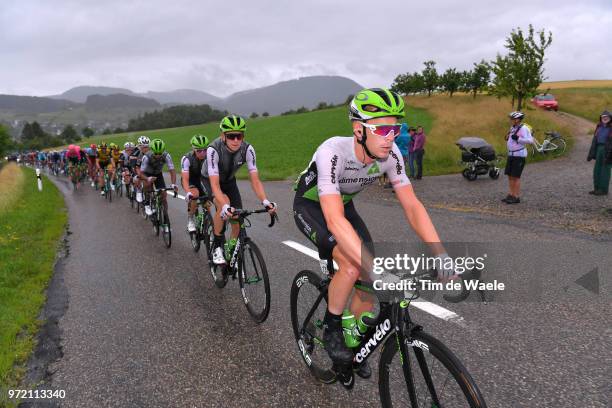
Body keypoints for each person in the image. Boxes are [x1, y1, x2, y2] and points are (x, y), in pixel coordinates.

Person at [292, 88, 457, 378]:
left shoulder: (391, 155)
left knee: (368, 277)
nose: (391, 135)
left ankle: (353, 344)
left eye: (396, 127)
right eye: (382, 128)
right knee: (353, 263)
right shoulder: (332, 152)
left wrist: (440, 252)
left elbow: (413, 207)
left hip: (344, 205)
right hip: (312, 206)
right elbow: (333, 219)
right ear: (358, 130)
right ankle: (332, 329)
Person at [201, 115, 277, 265]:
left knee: (237, 219)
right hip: (209, 181)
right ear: (223, 136)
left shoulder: (248, 149)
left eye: (239, 136)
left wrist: (265, 201)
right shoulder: (213, 150)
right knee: (226, 204)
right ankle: (217, 246)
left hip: (229, 181)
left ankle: (230, 250)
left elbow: (255, 180)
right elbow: (215, 185)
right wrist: (223, 206)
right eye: (231, 136)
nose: (236, 140)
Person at [139, 139, 178, 216]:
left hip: (158, 174)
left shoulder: (166, 155)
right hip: (147, 174)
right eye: (156, 153)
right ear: (151, 150)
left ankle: (165, 216)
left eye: (160, 153)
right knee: (147, 186)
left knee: (163, 195)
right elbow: (141, 173)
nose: (158, 155)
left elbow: (172, 170)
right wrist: (147, 179)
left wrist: (173, 184)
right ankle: (147, 204)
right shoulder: (146, 157)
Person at [502, 111, 534, 204]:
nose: (511, 120)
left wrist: (519, 139)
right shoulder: (512, 127)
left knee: (516, 177)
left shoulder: (524, 128)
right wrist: (507, 137)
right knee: (510, 176)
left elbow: (530, 140)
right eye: (511, 119)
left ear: (518, 120)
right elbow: (511, 138)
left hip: (519, 155)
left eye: (513, 119)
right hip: (511, 154)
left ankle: (516, 197)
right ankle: (511, 194)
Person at [180, 134, 210, 232]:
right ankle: (191, 219)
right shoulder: (187, 159)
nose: (203, 153)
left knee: (207, 205)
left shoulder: (210, 156)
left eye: (205, 150)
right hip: (190, 179)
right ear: (193, 149)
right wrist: (188, 192)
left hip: (203, 179)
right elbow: (184, 178)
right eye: (199, 150)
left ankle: (208, 226)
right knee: (194, 194)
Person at [587, 110, 612, 196]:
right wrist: (591, 153)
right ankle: (596, 188)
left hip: (608, 150)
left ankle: (603, 190)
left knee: (605, 170)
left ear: (610, 118)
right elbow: (594, 140)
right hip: (599, 148)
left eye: (607, 117)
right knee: (597, 169)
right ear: (601, 118)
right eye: (603, 117)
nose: (605, 118)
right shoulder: (599, 126)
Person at [384, 123, 411, 188]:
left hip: (400, 153)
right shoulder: (408, 135)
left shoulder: (401, 136)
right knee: (402, 169)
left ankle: (394, 184)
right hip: (406, 153)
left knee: (395, 169)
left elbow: (396, 141)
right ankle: (402, 183)